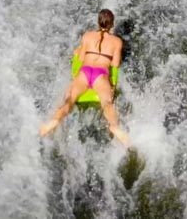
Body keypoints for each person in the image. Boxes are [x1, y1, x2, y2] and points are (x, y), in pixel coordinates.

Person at [39, 9, 130, 147]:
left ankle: (55, 121)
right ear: (112, 24)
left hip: (84, 72)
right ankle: (114, 127)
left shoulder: (87, 35)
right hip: (101, 75)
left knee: (69, 100)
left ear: (98, 22)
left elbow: (80, 58)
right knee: (107, 103)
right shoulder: (117, 41)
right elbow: (115, 64)